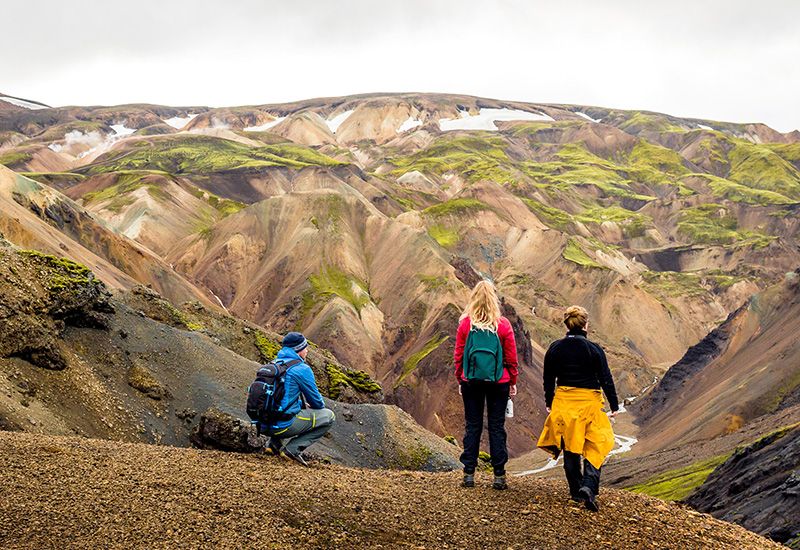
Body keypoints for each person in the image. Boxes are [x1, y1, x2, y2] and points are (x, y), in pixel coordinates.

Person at [537, 306, 619, 512]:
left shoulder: (555, 348)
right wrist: (615, 405)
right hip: (589, 405)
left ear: (567, 324)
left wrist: (549, 402)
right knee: (598, 442)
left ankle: (576, 493)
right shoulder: (594, 349)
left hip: (564, 404)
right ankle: (589, 486)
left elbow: (548, 379)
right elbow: (606, 379)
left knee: (571, 449)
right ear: (586, 325)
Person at [454, 280, 518, 490]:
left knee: (472, 426)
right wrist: (513, 381)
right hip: (499, 381)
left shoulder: (465, 324)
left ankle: (469, 474)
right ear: (494, 300)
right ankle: (499, 476)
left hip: (471, 381)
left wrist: (460, 378)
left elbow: (458, 356)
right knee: (496, 427)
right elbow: (511, 357)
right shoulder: (503, 325)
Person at [263, 332, 335, 467]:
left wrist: (301, 404)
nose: (307, 351)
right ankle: (292, 450)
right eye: (305, 348)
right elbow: (318, 403)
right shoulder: (301, 369)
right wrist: (310, 405)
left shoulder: (273, 364)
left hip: (262, 424)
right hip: (282, 427)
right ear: (298, 350)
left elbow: (279, 398)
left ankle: (273, 445)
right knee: (329, 416)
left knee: (285, 408)